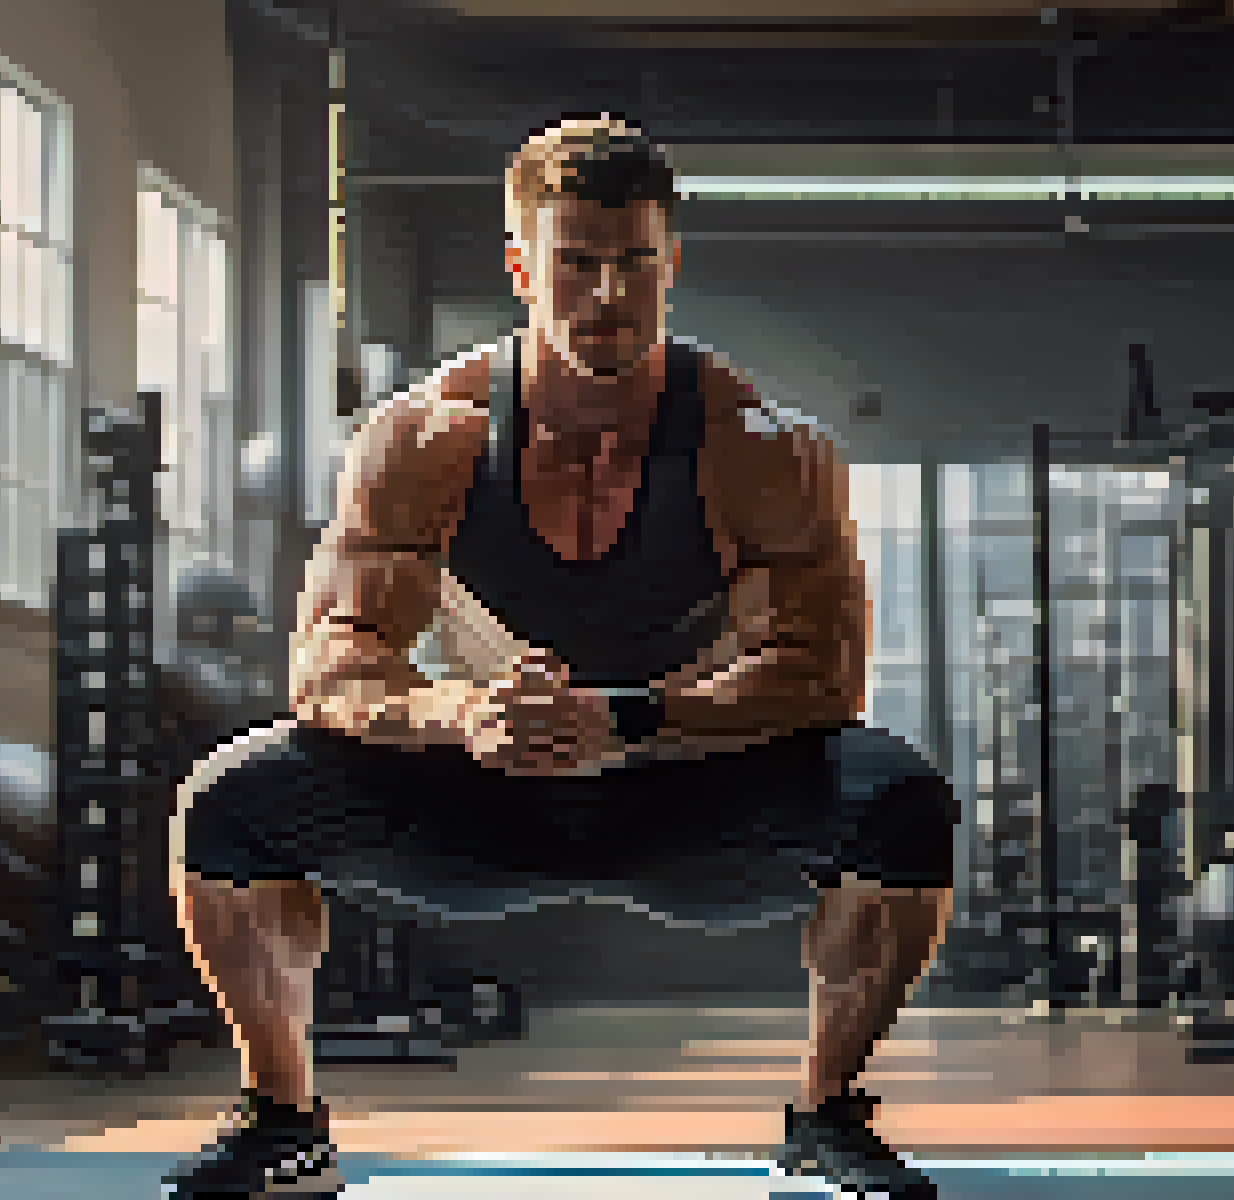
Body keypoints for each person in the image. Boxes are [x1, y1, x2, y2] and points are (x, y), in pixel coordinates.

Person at [163, 113, 957, 1199]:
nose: (606, 298)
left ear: (669, 262)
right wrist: (459, 716)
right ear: (520, 265)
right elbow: (330, 662)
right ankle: (283, 1117)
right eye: (575, 265)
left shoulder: (759, 448)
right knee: (229, 806)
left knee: (905, 805)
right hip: (477, 794)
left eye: (634, 264)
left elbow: (821, 673)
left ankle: (825, 1112)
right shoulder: (425, 438)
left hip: (690, 795)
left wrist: (635, 718)